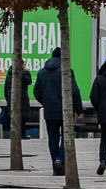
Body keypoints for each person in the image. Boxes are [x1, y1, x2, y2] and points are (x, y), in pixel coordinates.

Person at [33, 47, 83, 176]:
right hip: (65, 110)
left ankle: (56, 169)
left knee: (53, 139)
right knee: (67, 136)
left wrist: (46, 102)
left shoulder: (41, 72)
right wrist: (79, 110)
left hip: (49, 111)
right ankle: (60, 158)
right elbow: (75, 92)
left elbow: (36, 92)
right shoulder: (66, 71)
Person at [0, 62, 33, 135]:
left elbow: (6, 89)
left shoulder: (9, 74)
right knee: (22, 119)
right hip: (23, 100)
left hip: (11, 99)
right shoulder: (24, 73)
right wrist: (26, 71)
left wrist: (8, 100)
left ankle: (15, 135)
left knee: (14, 118)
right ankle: (22, 134)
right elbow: (29, 81)